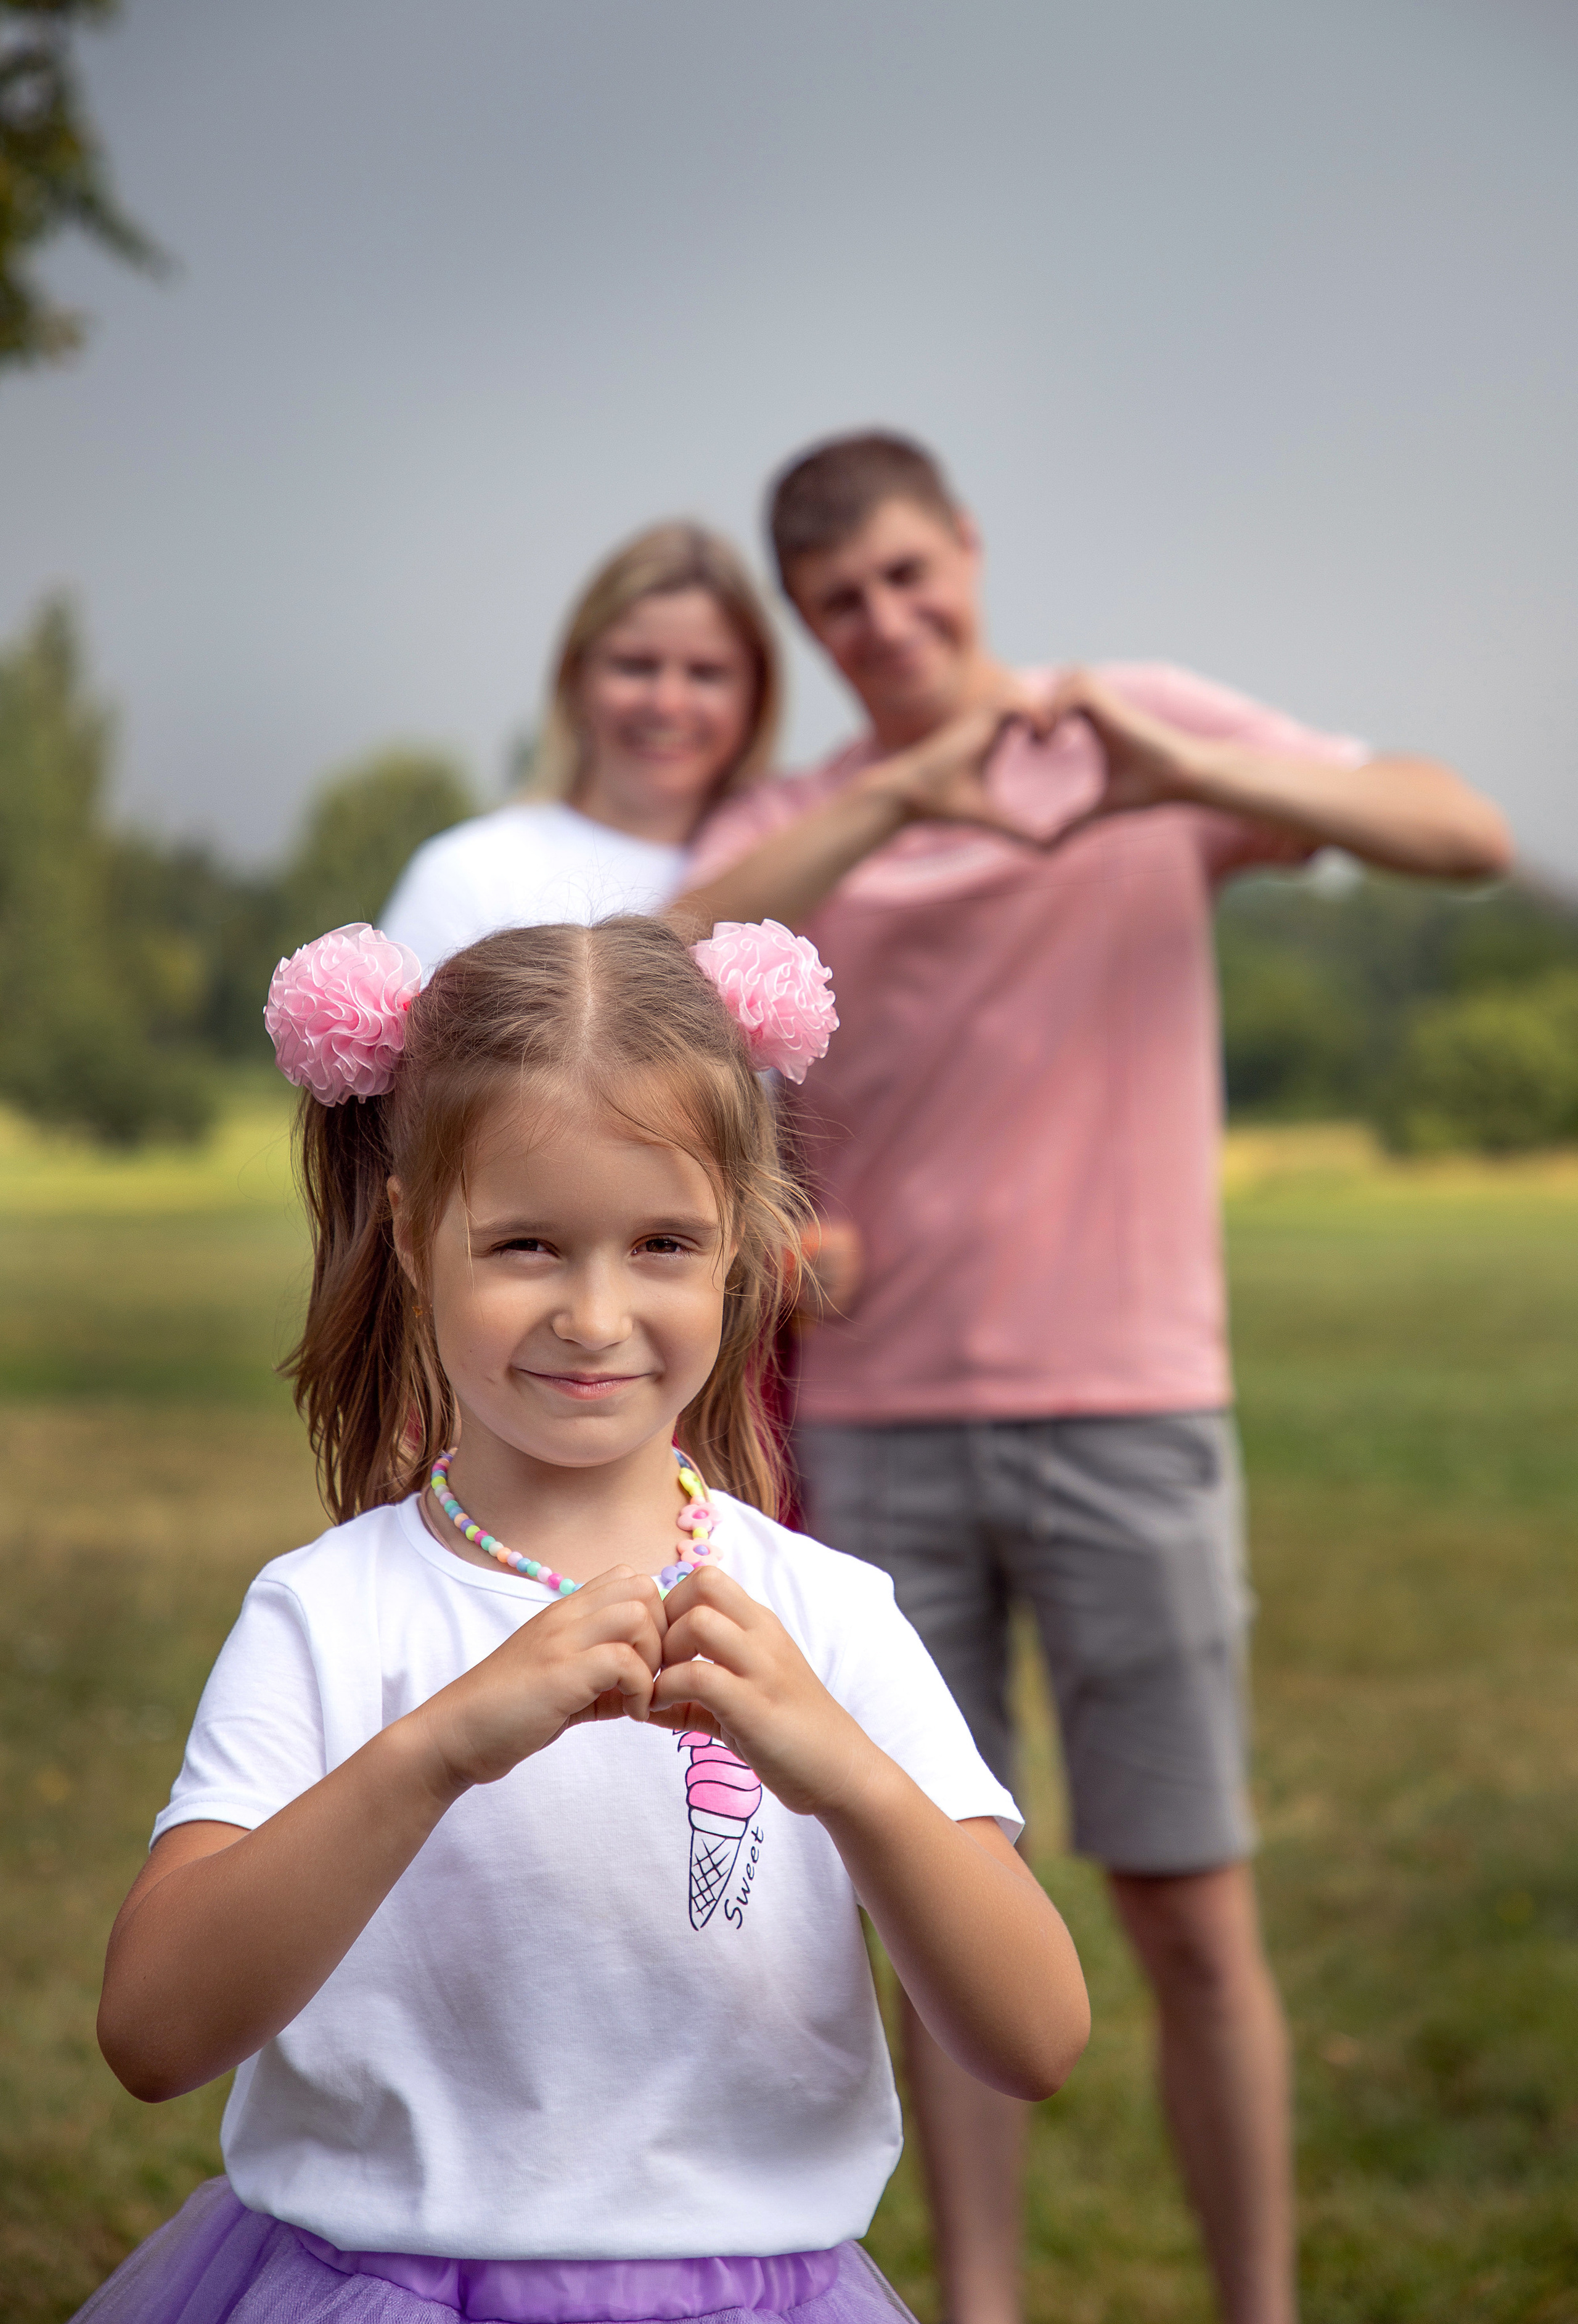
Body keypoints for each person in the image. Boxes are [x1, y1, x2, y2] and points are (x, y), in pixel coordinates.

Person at [672, 432, 1513, 2324]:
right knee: (938, 1889)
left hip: (1132, 1404)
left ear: (967, 547)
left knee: (1186, 1905)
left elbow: (1455, 830)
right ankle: (977, 2299)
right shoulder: (828, 809)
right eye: (839, 605)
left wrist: (1175, 772)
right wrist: (905, 791)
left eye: (908, 574)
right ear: (808, 627)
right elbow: (659, 962)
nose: (887, 621)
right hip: (883, 1424)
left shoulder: (1141, 728)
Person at [80, 913, 1089, 2324]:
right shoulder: (329, 1612)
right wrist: (435, 1748)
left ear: (737, 1246)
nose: (596, 1312)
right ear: (415, 1244)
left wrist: (841, 1767)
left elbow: (1035, 2033)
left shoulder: (825, 1615)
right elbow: (154, 2029)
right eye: (528, 1244)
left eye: (661, 1241)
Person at [381, 523, 781, 970]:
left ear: (758, 694)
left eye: (706, 672)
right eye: (635, 666)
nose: (667, 703)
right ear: (575, 676)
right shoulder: (469, 873)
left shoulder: (802, 867)